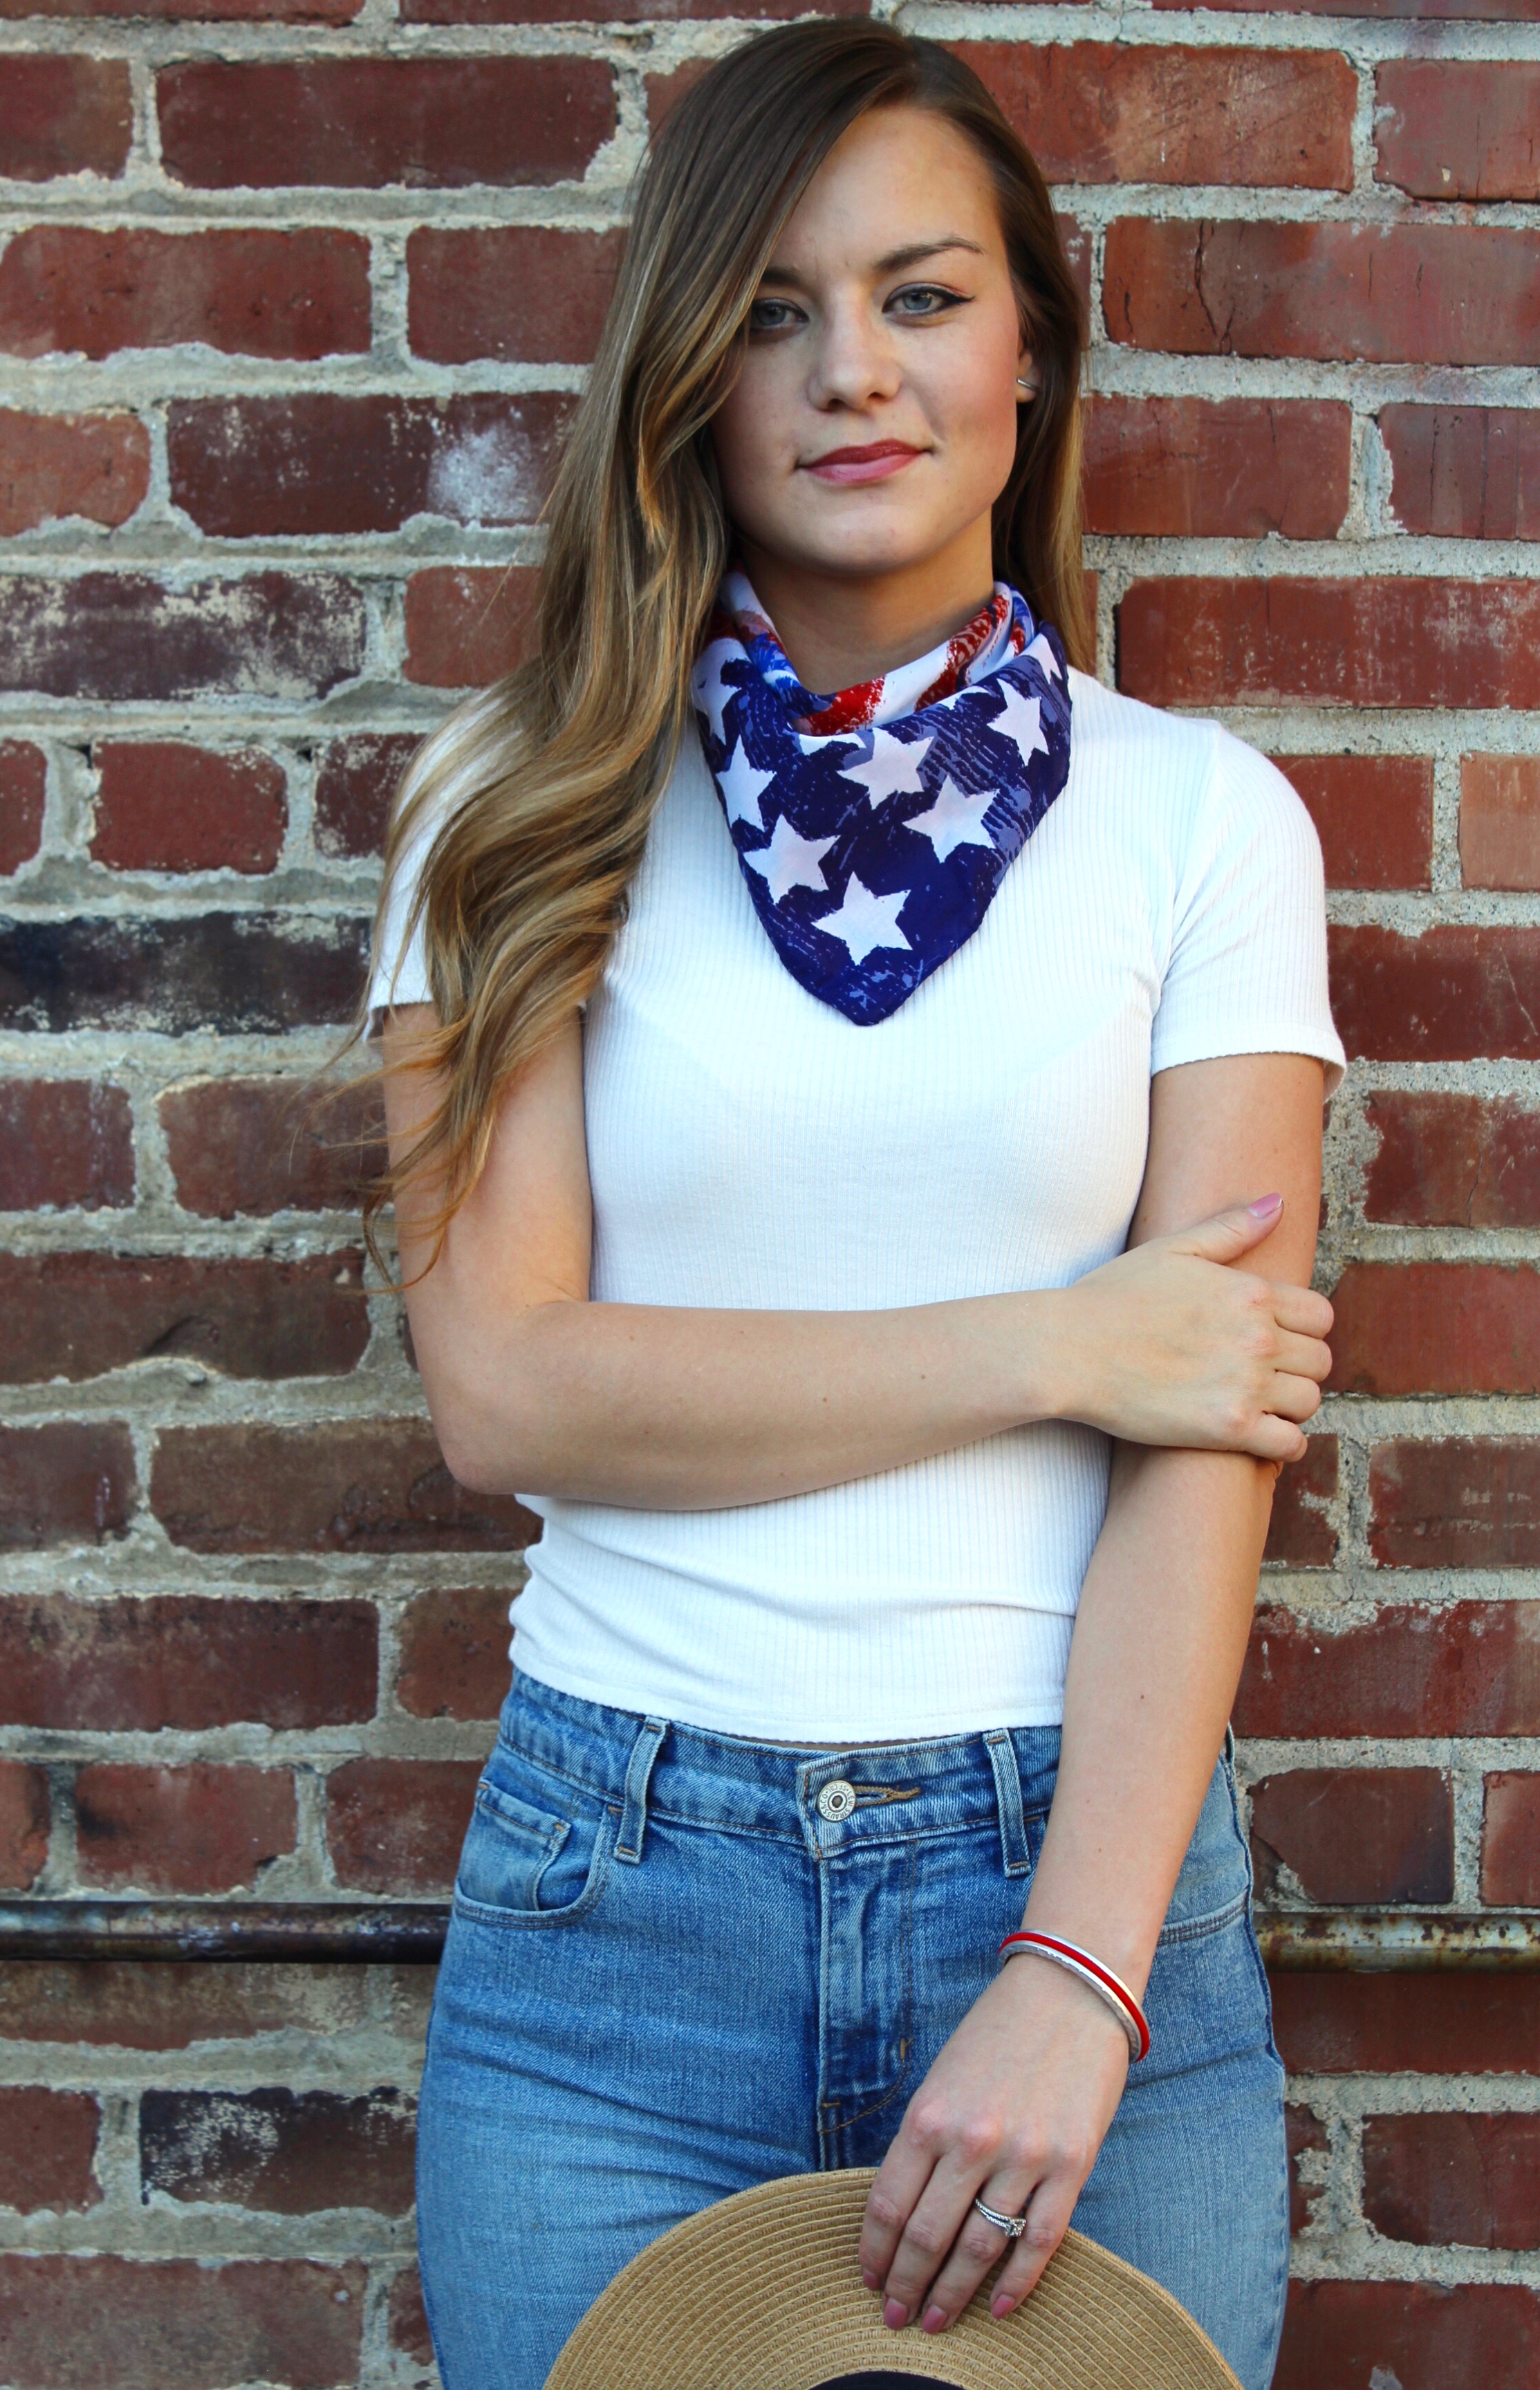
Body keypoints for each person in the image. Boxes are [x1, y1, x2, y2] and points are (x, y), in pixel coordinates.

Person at [364, 24, 1344, 2390]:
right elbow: (509, 1387)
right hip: (620, 1908)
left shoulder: (1204, 824)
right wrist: (1053, 1341)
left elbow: (1201, 1445)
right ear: (688, 374)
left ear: (1029, 348)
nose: (851, 373)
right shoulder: (521, 808)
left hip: (1079, 1870)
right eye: (774, 311)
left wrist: (1077, 1975)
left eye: (920, 296)